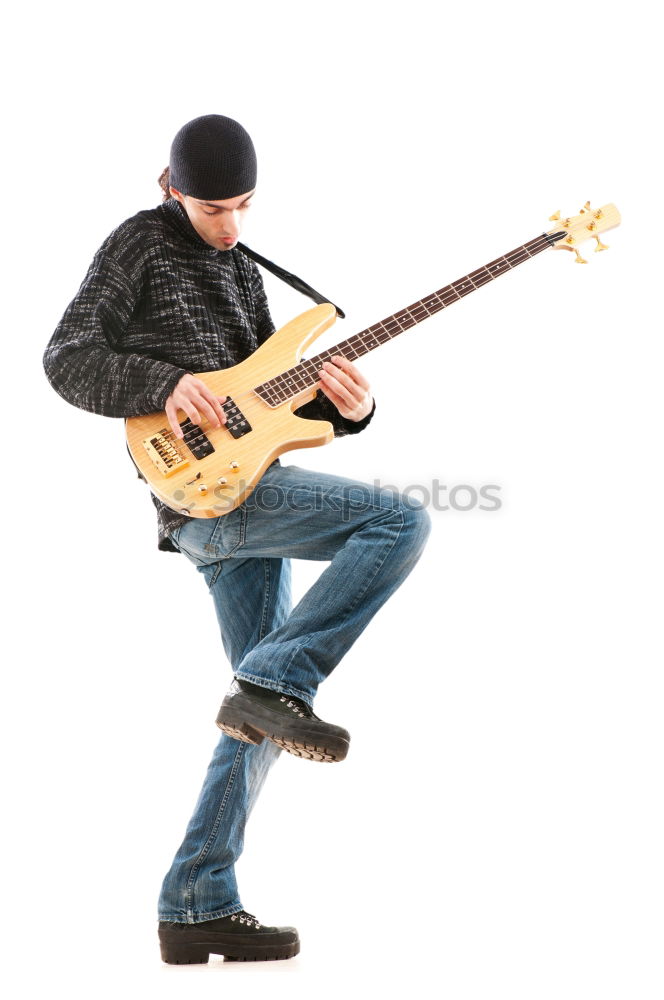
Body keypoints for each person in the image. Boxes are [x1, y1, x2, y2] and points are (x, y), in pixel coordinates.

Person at [43, 114, 432, 964]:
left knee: (254, 713)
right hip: (204, 495)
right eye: (214, 208)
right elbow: (66, 357)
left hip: (245, 481)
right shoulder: (137, 247)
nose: (231, 225)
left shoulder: (243, 267)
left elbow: (269, 396)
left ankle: (195, 903)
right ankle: (280, 681)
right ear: (170, 187)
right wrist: (167, 380)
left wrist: (348, 409)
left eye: (245, 207)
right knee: (401, 518)